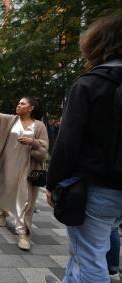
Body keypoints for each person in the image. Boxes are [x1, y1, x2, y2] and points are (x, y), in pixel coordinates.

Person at [45, 16, 122, 283]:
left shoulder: (91, 84)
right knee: (85, 251)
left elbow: (67, 142)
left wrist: (53, 183)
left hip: (97, 187)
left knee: (89, 255)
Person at [0, 88, 49, 251]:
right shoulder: (10, 120)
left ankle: (23, 234)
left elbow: (44, 149)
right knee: (5, 190)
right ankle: (1, 211)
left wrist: (33, 142)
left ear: (31, 108)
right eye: (18, 103)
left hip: (26, 169)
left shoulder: (39, 126)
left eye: (22, 103)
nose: (18, 105)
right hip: (6, 165)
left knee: (24, 199)